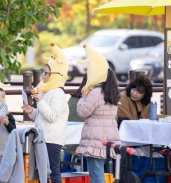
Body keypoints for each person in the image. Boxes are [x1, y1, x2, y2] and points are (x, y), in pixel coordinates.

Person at [22, 42, 69, 183]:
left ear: (55, 75)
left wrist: (40, 101)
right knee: (43, 171)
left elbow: (52, 116)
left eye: (46, 73)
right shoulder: (48, 91)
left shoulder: (58, 93)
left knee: (53, 171)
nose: (42, 75)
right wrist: (32, 111)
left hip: (52, 139)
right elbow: (42, 115)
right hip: (44, 136)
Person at [75, 44, 120, 183]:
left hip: (95, 140)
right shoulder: (112, 93)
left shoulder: (95, 93)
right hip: (108, 138)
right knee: (103, 171)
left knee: (96, 174)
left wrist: (83, 96)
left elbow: (82, 112)